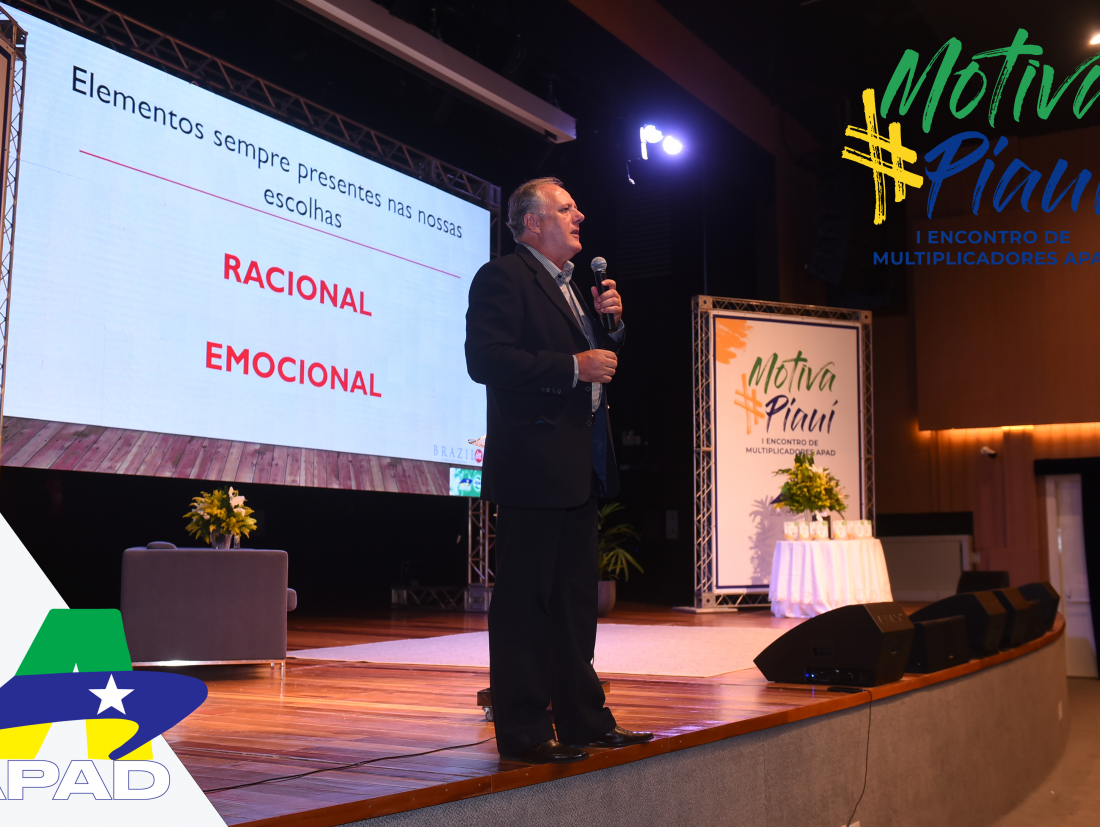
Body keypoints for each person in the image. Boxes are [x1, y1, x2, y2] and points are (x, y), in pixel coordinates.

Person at [465, 177, 653, 764]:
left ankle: (583, 720)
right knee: (526, 603)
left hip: (579, 463)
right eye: (567, 208)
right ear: (532, 222)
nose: (580, 215)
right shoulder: (503, 277)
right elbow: (485, 359)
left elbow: (599, 363)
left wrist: (612, 327)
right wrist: (574, 365)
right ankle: (524, 731)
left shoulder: (574, 287)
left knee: (574, 603)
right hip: (533, 465)